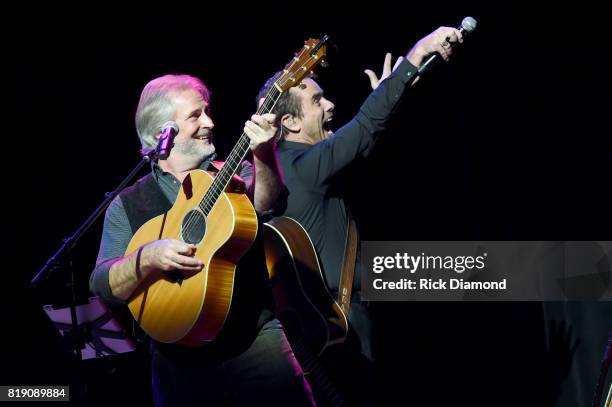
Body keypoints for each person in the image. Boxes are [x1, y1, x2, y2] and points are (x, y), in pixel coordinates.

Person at [256, 27, 463, 405]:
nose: (330, 105)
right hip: (343, 343)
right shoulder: (300, 167)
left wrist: (391, 94)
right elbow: (365, 128)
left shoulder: (300, 166)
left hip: (330, 338)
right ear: (290, 123)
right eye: (317, 101)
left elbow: (362, 136)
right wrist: (415, 57)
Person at [89, 74, 314, 406]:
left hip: (254, 343)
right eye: (194, 116)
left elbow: (266, 204)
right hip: (177, 367)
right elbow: (103, 284)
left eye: (207, 111)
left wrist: (264, 153)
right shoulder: (128, 204)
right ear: (159, 134)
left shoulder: (234, 175)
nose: (209, 122)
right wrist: (148, 256)